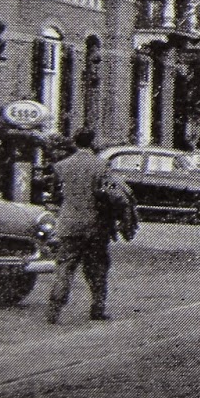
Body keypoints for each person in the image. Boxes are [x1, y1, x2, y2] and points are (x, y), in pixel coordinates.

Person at [46, 128, 135, 324]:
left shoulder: (61, 166)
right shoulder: (101, 165)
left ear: (74, 142)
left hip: (68, 225)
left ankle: (54, 309)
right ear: (92, 142)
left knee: (65, 267)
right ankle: (97, 308)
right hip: (95, 225)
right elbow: (114, 194)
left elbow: (55, 195)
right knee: (97, 268)